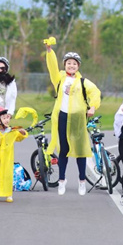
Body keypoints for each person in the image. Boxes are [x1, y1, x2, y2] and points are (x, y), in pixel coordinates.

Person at [44, 38, 101, 196]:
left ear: (78, 66)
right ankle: (62, 180)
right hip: (62, 117)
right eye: (68, 63)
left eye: (74, 63)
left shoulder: (83, 82)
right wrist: (49, 51)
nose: (71, 65)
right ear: (65, 65)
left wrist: (93, 107)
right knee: (64, 149)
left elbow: (95, 92)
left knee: (81, 150)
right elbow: (52, 68)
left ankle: (82, 181)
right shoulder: (59, 79)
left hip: (77, 119)